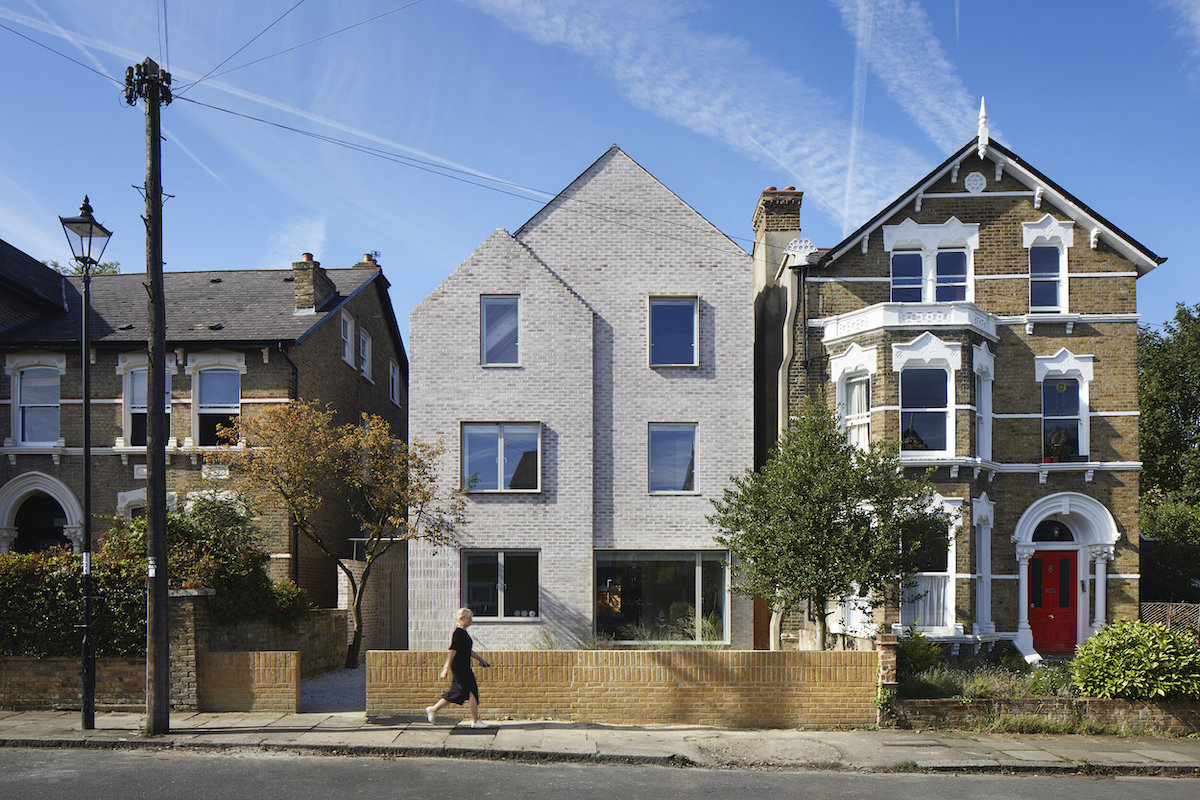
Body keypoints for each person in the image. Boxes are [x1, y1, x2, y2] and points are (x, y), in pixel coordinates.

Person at [425, 607, 490, 728]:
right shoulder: (458, 633)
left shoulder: (463, 633)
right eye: (468, 617)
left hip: (464, 666)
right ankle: (476, 721)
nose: (471, 620)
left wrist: (481, 660)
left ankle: (433, 709)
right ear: (461, 618)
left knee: (458, 692)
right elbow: (452, 651)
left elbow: (468, 651)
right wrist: (445, 668)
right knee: (471, 691)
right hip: (460, 668)